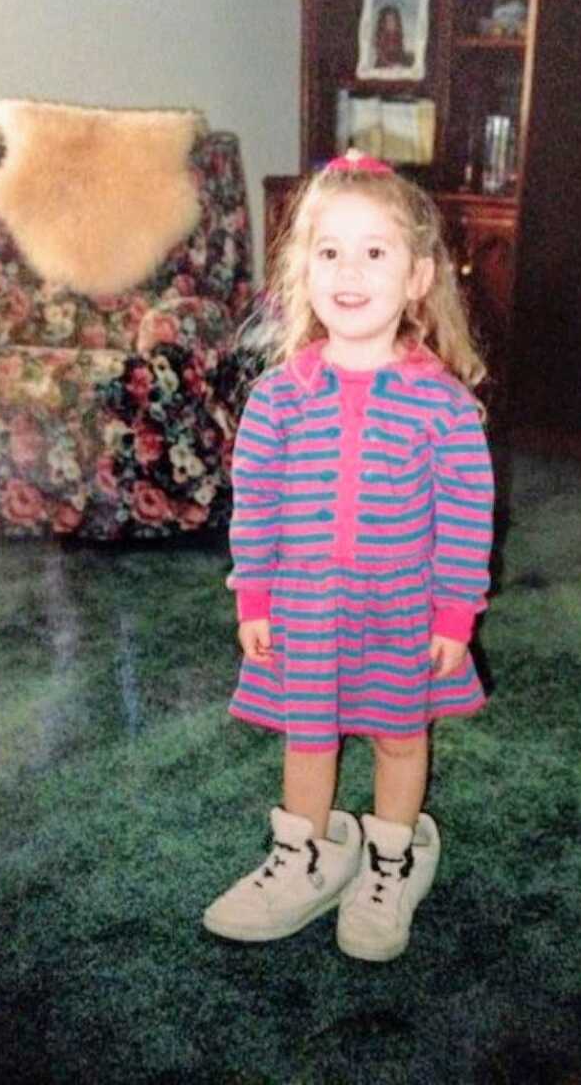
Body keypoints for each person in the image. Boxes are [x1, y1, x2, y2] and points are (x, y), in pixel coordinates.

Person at [202, 148, 494, 962]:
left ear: (417, 279)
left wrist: (453, 615)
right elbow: (254, 507)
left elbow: (470, 517)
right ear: (303, 272)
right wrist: (252, 600)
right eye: (330, 251)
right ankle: (306, 854)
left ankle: (394, 854)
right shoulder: (278, 400)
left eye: (376, 252)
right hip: (305, 608)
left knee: (402, 736)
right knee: (309, 732)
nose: (350, 271)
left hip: (402, 610)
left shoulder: (443, 405)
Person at [373, 4, 414, 69]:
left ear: (397, 21)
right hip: (384, 60)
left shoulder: (398, 33)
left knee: (411, 56)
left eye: (393, 20)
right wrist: (390, 64)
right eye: (388, 21)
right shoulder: (382, 35)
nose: (391, 23)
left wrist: (401, 58)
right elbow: (380, 53)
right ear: (382, 23)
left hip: (397, 57)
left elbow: (400, 48)